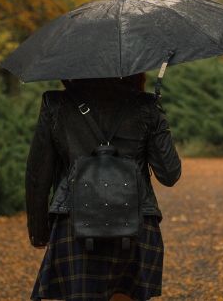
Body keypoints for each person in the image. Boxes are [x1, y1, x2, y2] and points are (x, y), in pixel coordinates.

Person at [25, 73, 182, 301]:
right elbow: (169, 174)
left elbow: (38, 174)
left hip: (74, 223)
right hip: (136, 223)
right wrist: (157, 116)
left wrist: (39, 233)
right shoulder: (146, 106)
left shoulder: (56, 104)